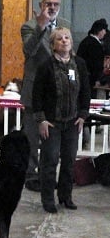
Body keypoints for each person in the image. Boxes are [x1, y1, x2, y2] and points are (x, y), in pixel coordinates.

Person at [32, 27, 90, 213]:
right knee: (49, 161)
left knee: (69, 161)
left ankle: (66, 196)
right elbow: (37, 95)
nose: (64, 41)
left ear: (72, 42)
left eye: (67, 38)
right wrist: (41, 119)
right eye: (59, 39)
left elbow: (86, 92)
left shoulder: (79, 64)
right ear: (53, 45)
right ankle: (48, 199)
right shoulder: (46, 66)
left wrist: (82, 115)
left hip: (72, 122)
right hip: (51, 123)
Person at [20, 0, 70, 192]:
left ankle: (47, 174)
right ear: (41, 5)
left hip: (56, 94)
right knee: (32, 137)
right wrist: (41, 24)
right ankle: (31, 175)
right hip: (34, 92)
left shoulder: (65, 25)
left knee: (52, 140)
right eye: (48, 3)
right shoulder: (29, 26)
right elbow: (28, 50)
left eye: (55, 4)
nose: (52, 7)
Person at [77, 18, 108, 98]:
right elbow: (96, 65)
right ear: (100, 31)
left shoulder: (85, 41)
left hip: (81, 77)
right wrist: (98, 80)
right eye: (104, 30)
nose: (105, 33)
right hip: (89, 80)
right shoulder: (95, 45)